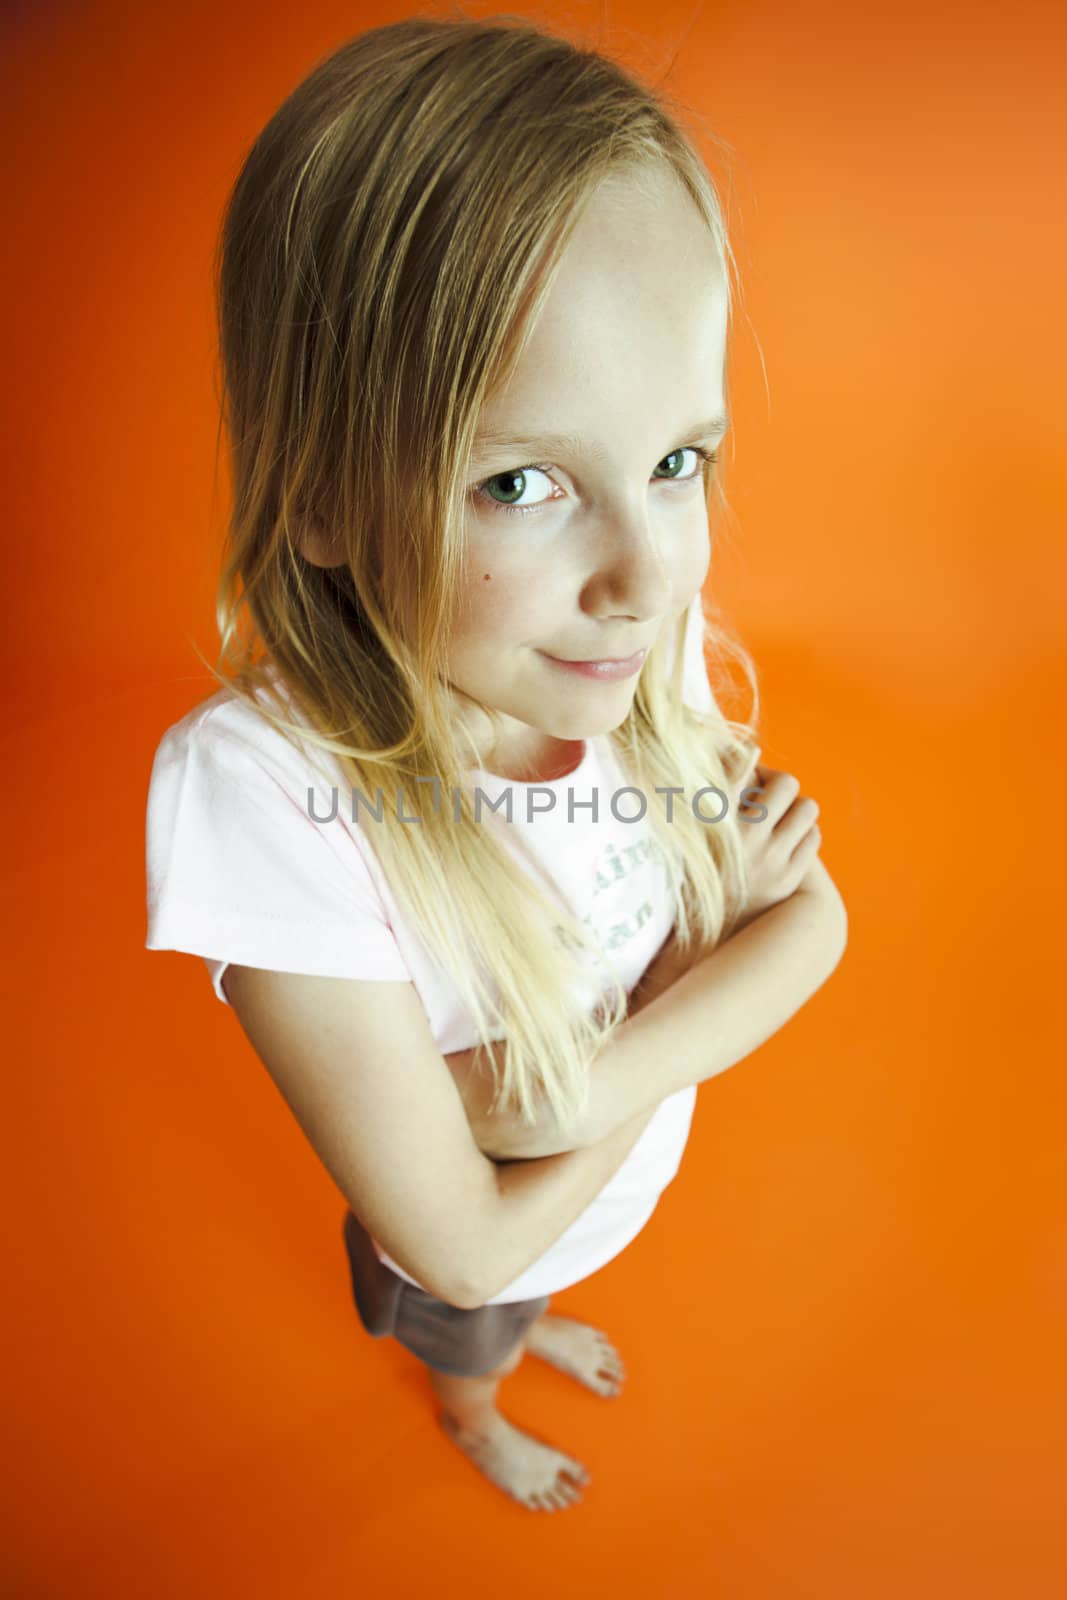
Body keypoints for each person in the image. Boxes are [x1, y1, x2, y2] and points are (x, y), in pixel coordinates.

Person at [144, 15, 848, 1514]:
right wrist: (684, 994)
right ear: (327, 497)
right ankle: (471, 1414)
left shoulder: (615, 654)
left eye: (679, 462)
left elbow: (820, 922)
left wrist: (550, 1103)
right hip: (483, 1251)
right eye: (523, 483)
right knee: (475, 1320)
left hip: (586, 1191)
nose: (649, 578)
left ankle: (530, 1330)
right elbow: (461, 1235)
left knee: (536, 1278)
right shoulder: (265, 794)